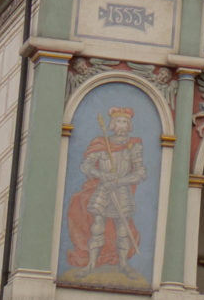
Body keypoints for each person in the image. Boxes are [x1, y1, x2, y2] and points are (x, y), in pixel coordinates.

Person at [64, 104, 149, 283]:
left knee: (122, 229)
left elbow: (140, 173)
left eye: (125, 122)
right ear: (112, 124)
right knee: (97, 228)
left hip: (122, 190)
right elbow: (86, 166)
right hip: (104, 189)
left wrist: (119, 181)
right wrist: (103, 176)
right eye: (118, 121)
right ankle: (91, 264)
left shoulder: (134, 146)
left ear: (129, 125)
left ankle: (123, 264)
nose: (122, 125)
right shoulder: (102, 144)